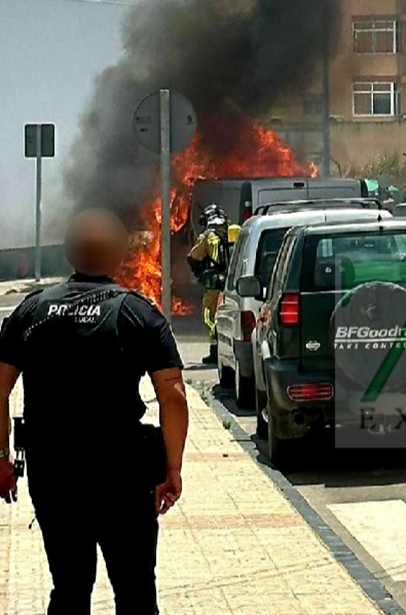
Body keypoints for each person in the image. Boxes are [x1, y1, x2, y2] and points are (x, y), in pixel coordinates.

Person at [0, 207, 188, 613]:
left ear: (68, 253)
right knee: (136, 590)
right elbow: (173, 396)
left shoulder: (31, 312)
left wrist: (1, 459)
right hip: (123, 476)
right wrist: (172, 468)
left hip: (54, 475)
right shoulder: (139, 313)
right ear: (119, 256)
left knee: (69, 587)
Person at [188, 205, 232, 365]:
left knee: (209, 315)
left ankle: (215, 351)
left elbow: (195, 256)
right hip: (231, 284)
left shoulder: (207, 236)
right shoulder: (232, 233)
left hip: (214, 285)